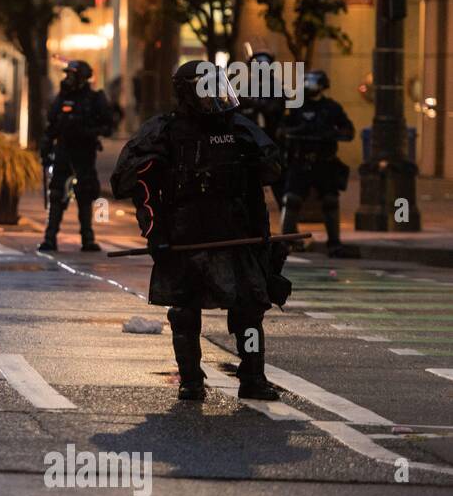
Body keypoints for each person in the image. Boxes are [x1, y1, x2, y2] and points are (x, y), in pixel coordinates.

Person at [111, 61, 289, 402]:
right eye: (204, 88)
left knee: (250, 308)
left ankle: (253, 376)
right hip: (186, 235)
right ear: (186, 92)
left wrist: (262, 234)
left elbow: (266, 177)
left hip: (236, 234)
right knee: (184, 311)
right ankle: (191, 379)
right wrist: (155, 232)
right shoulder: (165, 131)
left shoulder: (240, 129)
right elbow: (137, 185)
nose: (213, 96)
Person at [278, 70, 357, 258]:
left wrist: (331, 133)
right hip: (301, 161)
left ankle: (334, 244)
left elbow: (348, 131)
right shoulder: (296, 106)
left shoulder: (331, 108)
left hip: (324, 162)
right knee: (291, 200)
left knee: (330, 200)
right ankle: (286, 241)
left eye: (314, 82)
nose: (310, 86)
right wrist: (297, 131)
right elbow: (281, 130)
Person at [40, 59, 113, 252]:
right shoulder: (62, 97)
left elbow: (108, 125)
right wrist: (45, 150)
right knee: (56, 193)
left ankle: (87, 238)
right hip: (64, 150)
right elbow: (52, 126)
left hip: (85, 151)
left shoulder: (94, 98)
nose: (68, 79)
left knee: (85, 193)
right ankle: (50, 237)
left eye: (72, 75)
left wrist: (90, 131)